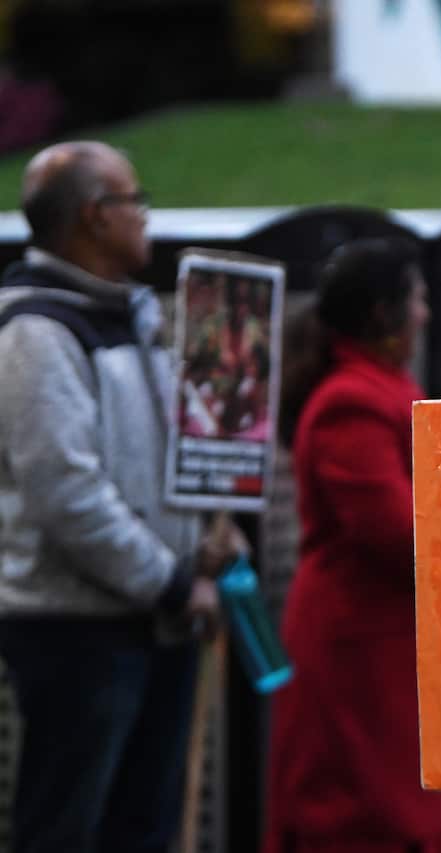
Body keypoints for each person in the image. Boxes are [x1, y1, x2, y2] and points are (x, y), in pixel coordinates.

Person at [0, 140, 243, 853]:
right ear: (94, 217)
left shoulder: (128, 317)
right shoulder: (37, 331)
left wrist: (203, 540)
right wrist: (171, 580)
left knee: (139, 828)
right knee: (69, 828)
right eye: (134, 200)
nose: (146, 216)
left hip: (149, 616)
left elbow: (156, 457)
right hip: (78, 630)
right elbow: (66, 492)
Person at [264, 237, 441, 853]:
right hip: (358, 649)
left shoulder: (376, 385)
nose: (425, 314)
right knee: (361, 814)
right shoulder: (349, 401)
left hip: (388, 641)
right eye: (418, 299)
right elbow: (401, 535)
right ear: (385, 313)